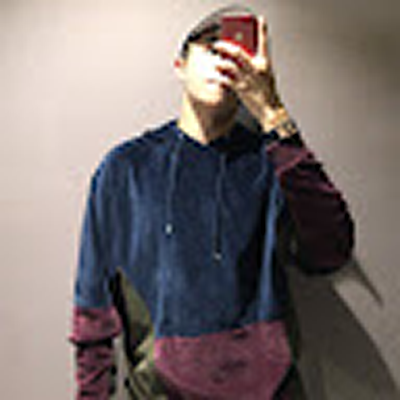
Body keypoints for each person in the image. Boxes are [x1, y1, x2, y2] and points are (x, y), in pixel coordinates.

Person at [69, 5, 355, 399]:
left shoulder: (275, 163)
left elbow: (330, 251)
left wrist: (272, 112)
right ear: (180, 66)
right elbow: (92, 310)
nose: (224, 60)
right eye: (210, 48)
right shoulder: (126, 169)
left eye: (238, 51)